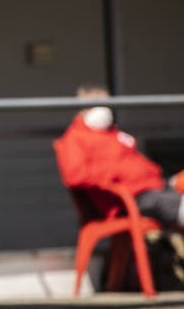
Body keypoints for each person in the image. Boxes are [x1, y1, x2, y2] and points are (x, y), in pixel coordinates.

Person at [54, 86, 184, 226]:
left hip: (156, 186)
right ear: (81, 109)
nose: (104, 110)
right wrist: (115, 174)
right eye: (96, 104)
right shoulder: (75, 138)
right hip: (129, 200)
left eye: (107, 104)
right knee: (173, 204)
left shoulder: (112, 133)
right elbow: (75, 175)